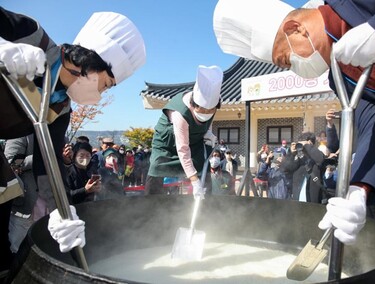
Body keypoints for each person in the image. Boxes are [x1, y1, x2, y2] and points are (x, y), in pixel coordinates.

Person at [213, 0, 375, 246]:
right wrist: (359, 188)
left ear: (296, 28)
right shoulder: (339, 78)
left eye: (287, 61)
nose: (295, 69)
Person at [0, 9, 146, 263]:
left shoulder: (60, 109)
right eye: (105, 85)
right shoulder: (31, 35)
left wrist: (60, 210)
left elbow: (48, 164)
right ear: (92, 64)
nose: (99, 95)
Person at [146, 66, 223, 197]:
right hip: (167, 143)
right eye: (202, 110)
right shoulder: (180, 113)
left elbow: (207, 123)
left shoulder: (213, 106)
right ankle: (150, 204)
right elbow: (183, 149)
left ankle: (206, 204)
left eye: (210, 110)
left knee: (203, 171)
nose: (206, 113)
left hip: (194, 142)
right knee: (157, 168)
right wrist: (194, 181)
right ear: (193, 104)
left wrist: (208, 133)